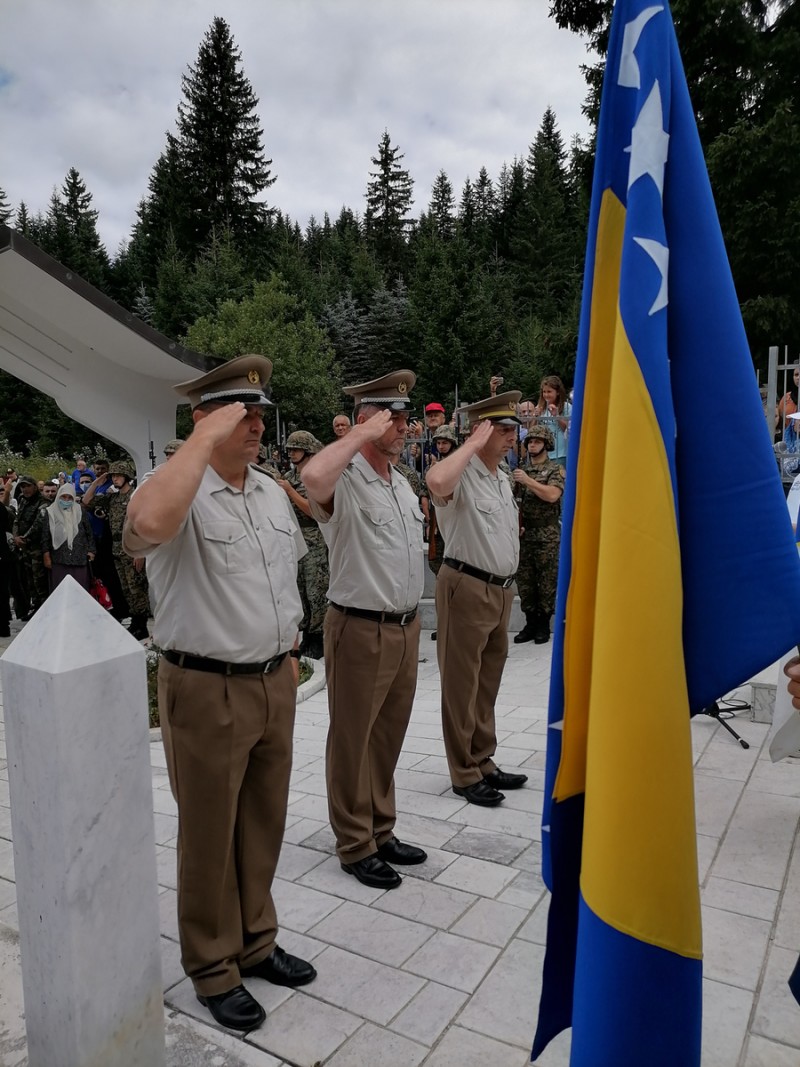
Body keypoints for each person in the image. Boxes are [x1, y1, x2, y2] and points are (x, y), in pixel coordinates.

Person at [123, 353, 316, 1033]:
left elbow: (285, 580)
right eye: (241, 411)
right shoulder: (175, 484)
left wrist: (291, 651)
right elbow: (145, 527)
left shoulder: (265, 490)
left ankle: (256, 940)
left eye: (260, 411)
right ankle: (211, 965)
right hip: (206, 687)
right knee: (208, 835)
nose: (256, 422)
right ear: (205, 416)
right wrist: (201, 441)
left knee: (262, 823)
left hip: (271, 680)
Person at [302, 370, 428, 890]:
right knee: (353, 739)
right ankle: (354, 841)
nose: (403, 427)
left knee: (387, 735)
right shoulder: (345, 478)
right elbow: (311, 479)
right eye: (392, 419)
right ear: (367, 420)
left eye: (403, 418)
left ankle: (381, 826)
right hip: (359, 626)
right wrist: (358, 434)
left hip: (403, 626)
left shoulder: (399, 483)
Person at [425, 391, 528, 807]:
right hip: (466, 586)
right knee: (461, 684)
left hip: (500, 590)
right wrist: (468, 444)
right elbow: (435, 483)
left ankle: (483, 758)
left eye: (512, 430)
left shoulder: (501, 477)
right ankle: (463, 771)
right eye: (501, 430)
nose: (510, 438)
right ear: (479, 432)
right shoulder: (460, 471)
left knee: (487, 682)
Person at [84, 460, 150, 640]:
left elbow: (142, 525)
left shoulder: (135, 497)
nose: (115, 478)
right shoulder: (112, 497)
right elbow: (87, 501)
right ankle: (135, 623)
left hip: (132, 549)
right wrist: (97, 482)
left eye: (119, 475)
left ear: (127, 476)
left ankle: (141, 625)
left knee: (136, 587)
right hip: (116, 549)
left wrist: (141, 552)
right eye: (113, 475)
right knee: (126, 588)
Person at [278, 430, 329, 660]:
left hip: (314, 538)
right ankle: (307, 632)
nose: (291, 453)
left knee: (315, 589)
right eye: (289, 449)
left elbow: (314, 511)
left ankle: (317, 636)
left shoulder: (315, 477)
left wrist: (289, 491)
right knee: (299, 590)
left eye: (296, 449)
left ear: (307, 451)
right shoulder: (288, 475)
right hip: (294, 538)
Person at [512, 426, 564, 644]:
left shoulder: (554, 469)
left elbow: (552, 495)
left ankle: (543, 623)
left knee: (546, 581)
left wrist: (528, 482)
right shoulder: (520, 470)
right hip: (525, 533)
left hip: (547, 534)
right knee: (525, 581)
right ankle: (530, 622)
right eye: (530, 441)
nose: (532, 444)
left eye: (537, 441)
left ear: (547, 443)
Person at [42, 483, 96, 592]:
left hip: (79, 557)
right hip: (59, 558)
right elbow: (45, 535)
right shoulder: (51, 512)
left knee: (80, 591)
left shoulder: (80, 511)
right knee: (60, 591)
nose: (66, 500)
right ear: (59, 496)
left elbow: (89, 532)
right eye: (63, 497)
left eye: (69, 497)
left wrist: (91, 550)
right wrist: (46, 555)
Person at [12, 475, 48, 618]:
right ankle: (36, 606)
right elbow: (17, 520)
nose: (25, 489)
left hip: (37, 547)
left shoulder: (43, 502)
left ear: (34, 486)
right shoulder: (22, 500)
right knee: (29, 579)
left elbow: (38, 525)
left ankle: (45, 608)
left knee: (40, 579)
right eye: (22, 486)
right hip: (24, 547)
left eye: (27, 486)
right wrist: (16, 537)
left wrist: (24, 538)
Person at [534, 375, 572, 465]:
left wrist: (556, 416)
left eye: (549, 392)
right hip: (543, 453)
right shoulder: (540, 408)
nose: (546, 395)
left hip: (561, 453)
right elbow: (533, 430)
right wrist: (536, 417)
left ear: (558, 392)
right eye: (544, 392)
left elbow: (568, 429)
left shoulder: (566, 407)